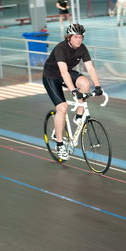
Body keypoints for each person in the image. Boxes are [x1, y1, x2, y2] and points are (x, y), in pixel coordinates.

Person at [42, 23, 104, 160]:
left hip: (67, 73)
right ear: (69, 37)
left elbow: (90, 68)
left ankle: (78, 116)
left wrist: (98, 86)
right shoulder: (60, 48)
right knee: (62, 108)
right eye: (76, 37)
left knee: (85, 83)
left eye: (81, 37)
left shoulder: (82, 48)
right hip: (51, 77)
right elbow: (63, 73)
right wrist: (74, 91)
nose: (78, 40)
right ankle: (59, 145)